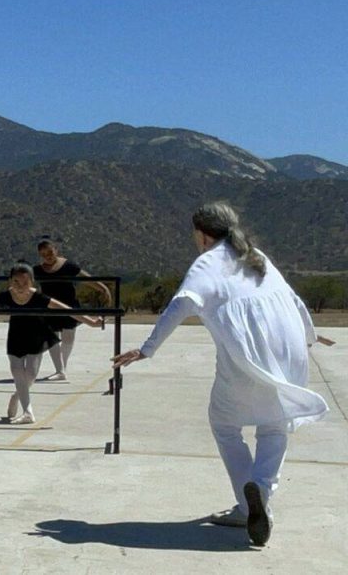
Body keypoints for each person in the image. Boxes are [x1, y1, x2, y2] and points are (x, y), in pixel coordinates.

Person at [112, 202, 330, 547]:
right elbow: (293, 298)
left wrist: (147, 348)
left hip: (246, 358)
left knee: (225, 424)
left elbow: (181, 303)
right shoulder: (255, 254)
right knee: (275, 424)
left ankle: (249, 503)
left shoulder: (207, 263)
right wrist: (310, 334)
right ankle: (260, 490)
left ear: (202, 234)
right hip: (289, 352)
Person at [0, 262, 101, 424]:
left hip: (36, 336)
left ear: (32, 282)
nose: (20, 286)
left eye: (25, 283)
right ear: (10, 281)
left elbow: (65, 309)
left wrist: (90, 321)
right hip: (16, 335)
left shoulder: (38, 297)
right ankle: (28, 412)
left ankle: (17, 396)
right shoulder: (6, 295)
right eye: (16, 282)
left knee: (31, 375)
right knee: (16, 370)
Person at [33, 237, 112, 381]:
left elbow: (86, 278)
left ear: (56, 250)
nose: (48, 257)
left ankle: (63, 367)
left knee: (68, 338)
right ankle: (59, 370)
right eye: (43, 255)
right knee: (52, 338)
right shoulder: (37, 270)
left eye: (50, 252)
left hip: (69, 306)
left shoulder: (68, 265)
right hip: (49, 307)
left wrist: (103, 288)